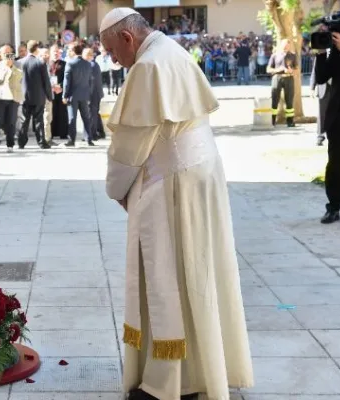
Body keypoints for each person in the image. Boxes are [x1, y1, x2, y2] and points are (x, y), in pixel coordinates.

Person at [99, 8, 253, 400]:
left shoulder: (147, 67)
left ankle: (172, 381)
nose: (112, 59)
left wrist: (117, 188)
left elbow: (130, 147)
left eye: (112, 50)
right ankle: (202, 371)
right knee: (198, 275)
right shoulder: (173, 49)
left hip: (172, 185)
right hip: (198, 172)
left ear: (128, 39)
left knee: (170, 277)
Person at [313, 28, 340, 224]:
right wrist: (322, 53)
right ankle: (333, 208)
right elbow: (322, 77)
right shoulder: (335, 50)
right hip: (339, 112)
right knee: (334, 162)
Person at [0, 44, 23, 153]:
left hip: (13, 98)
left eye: (8, 52)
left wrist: (11, 67)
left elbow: (19, 78)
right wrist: (4, 71)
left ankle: (10, 145)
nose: (6, 55)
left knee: (11, 122)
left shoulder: (18, 65)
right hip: (1, 98)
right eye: (3, 53)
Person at [19, 40, 52, 149]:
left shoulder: (20, 62)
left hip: (24, 96)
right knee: (39, 120)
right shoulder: (40, 63)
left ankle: (21, 142)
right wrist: (49, 95)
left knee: (24, 120)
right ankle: (41, 142)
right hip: (38, 96)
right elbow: (46, 82)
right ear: (37, 49)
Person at [63, 42, 94, 146]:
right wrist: (89, 93)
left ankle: (72, 140)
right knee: (86, 117)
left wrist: (64, 95)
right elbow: (90, 81)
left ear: (73, 51)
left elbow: (66, 82)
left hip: (73, 95)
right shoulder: (88, 64)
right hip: (84, 94)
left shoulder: (70, 63)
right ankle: (89, 138)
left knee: (72, 118)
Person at [267, 39, 297, 127]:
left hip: (289, 78)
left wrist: (292, 71)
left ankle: (290, 121)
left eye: (288, 46)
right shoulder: (275, 55)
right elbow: (268, 69)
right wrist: (278, 70)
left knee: (289, 101)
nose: (286, 47)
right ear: (281, 45)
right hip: (277, 78)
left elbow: (296, 69)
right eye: (284, 45)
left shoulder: (292, 56)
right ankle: (272, 120)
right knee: (275, 99)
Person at [310, 24, 332, 147]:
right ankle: (320, 136)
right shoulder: (321, 51)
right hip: (323, 86)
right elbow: (315, 69)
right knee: (322, 112)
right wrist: (312, 87)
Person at [83, 47, 105, 141]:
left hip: (93, 94)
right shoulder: (94, 64)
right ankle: (100, 132)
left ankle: (91, 134)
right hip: (96, 93)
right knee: (95, 113)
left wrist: (87, 96)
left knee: (91, 114)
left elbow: (92, 82)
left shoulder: (91, 65)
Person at [49, 44, 69, 139]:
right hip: (50, 91)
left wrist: (60, 86)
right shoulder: (47, 64)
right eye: (54, 51)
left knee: (62, 113)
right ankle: (52, 132)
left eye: (57, 51)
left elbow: (67, 78)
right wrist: (51, 87)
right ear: (50, 52)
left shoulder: (64, 64)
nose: (56, 53)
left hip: (61, 92)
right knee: (52, 112)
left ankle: (63, 133)